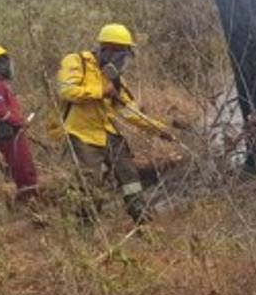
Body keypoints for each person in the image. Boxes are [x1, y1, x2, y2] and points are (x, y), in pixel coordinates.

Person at [56, 23, 173, 222]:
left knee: (128, 174)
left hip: (107, 131)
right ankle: (86, 223)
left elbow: (129, 112)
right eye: (121, 55)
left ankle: (141, 217)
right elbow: (67, 91)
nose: (123, 61)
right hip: (81, 133)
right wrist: (101, 92)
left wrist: (160, 129)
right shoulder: (76, 61)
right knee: (89, 181)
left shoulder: (115, 79)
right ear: (108, 50)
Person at [0, 44, 39, 201]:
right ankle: (29, 203)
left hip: (13, 133)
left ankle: (30, 200)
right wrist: (20, 122)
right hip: (10, 134)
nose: (8, 65)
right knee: (22, 169)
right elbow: (0, 111)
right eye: (4, 61)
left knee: (24, 168)